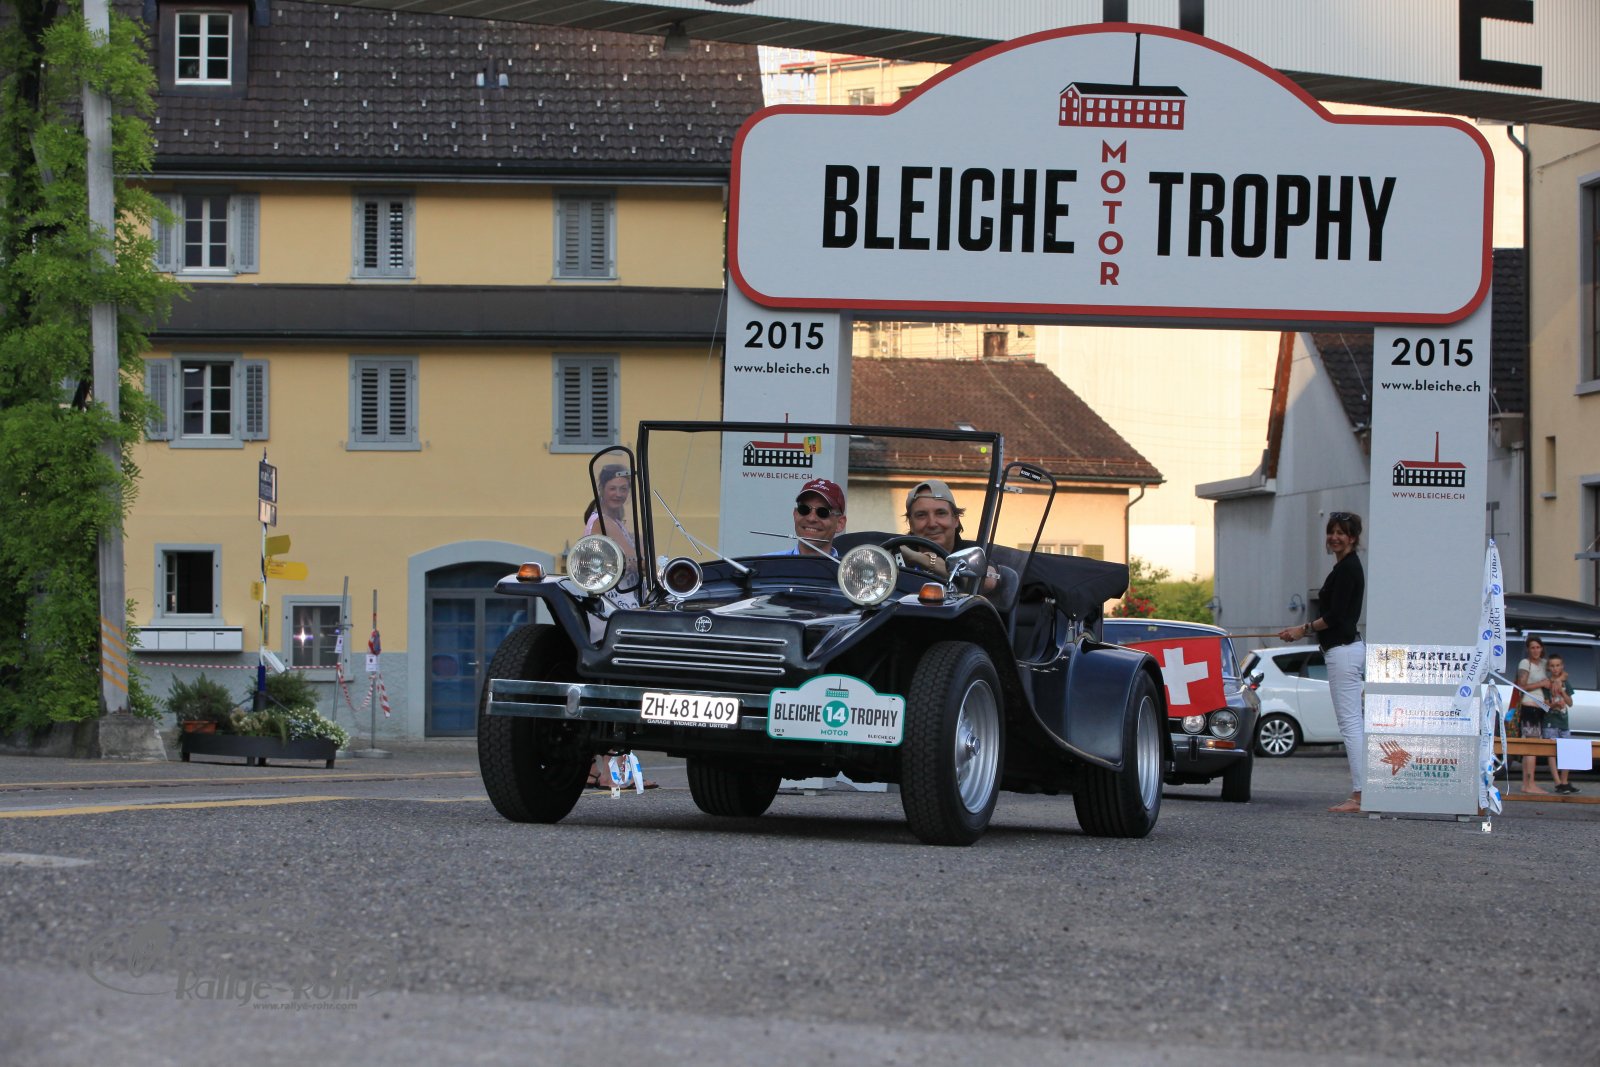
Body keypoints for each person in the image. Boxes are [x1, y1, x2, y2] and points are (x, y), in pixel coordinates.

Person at [1278, 511, 1365, 813]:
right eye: (1332, 531)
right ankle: (1362, 792)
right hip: (1342, 650)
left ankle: (1360, 795)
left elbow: (1335, 617)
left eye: (1341, 532)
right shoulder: (1343, 567)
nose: (1335, 537)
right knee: (1352, 722)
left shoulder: (1348, 569)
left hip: (1343, 651)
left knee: (1350, 723)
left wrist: (1301, 629)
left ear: (1353, 538)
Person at [579, 464, 656, 790]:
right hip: (610, 612)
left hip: (619, 608)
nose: (619, 493)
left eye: (624, 489)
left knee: (617, 685)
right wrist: (654, 562)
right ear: (602, 488)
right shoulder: (601, 520)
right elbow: (631, 560)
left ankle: (594, 767)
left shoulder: (617, 522)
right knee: (621, 686)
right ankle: (614, 769)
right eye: (614, 487)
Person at [902, 479, 999, 593]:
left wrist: (920, 559)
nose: (932, 524)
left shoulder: (973, 554)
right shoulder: (897, 553)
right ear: (911, 524)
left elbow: (987, 582)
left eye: (941, 513)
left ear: (956, 520)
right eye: (921, 515)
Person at [1513, 635, 1551, 794]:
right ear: (1528, 649)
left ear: (1542, 648)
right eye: (1532, 647)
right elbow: (1521, 685)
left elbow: (1559, 674)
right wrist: (1541, 684)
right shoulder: (1525, 663)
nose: (1535, 650)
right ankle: (1529, 784)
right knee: (1531, 746)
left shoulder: (1544, 663)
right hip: (1529, 707)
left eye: (1538, 647)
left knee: (1534, 745)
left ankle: (1528, 783)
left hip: (1541, 708)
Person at [1544, 654, 1578, 794]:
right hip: (1550, 722)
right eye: (1552, 666)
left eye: (1558, 665)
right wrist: (1555, 705)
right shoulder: (1546, 683)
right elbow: (1545, 705)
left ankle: (1564, 781)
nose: (1555, 668)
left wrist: (1563, 693)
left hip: (1564, 722)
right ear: (1548, 667)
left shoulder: (1565, 682)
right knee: (1552, 753)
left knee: (1567, 751)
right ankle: (1557, 782)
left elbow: (1570, 703)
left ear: (1562, 666)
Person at [787, 478, 847, 557]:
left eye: (823, 512)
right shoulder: (772, 563)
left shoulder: (847, 565)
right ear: (795, 514)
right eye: (804, 509)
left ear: (840, 523)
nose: (811, 518)